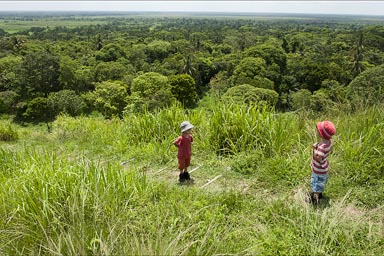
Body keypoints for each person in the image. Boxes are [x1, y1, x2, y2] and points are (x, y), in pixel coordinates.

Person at [310, 120, 336, 204]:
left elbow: (318, 158)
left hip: (318, 169)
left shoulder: (322, 147)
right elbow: (323, 148)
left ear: (322, 134)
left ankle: (314, 200)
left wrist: (314, 150)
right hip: (324, 168)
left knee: (316, 184)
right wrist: (317, 145)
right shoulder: (329, 142)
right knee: (321, 182)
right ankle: (320, 194)